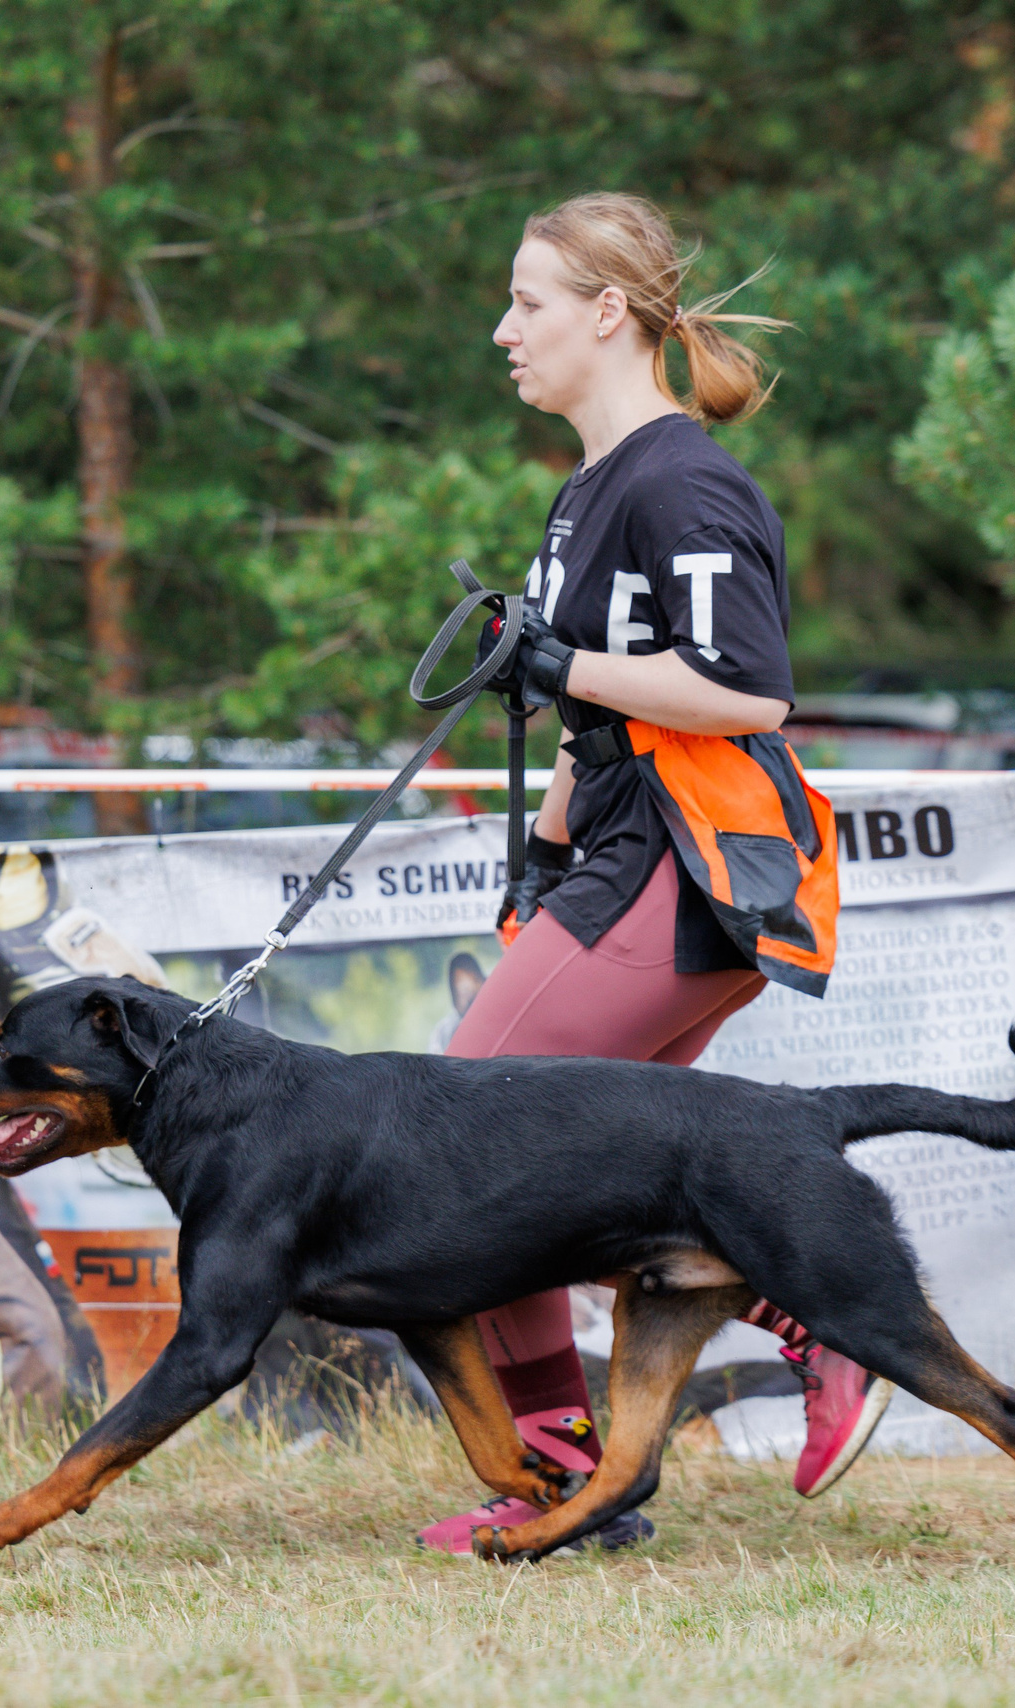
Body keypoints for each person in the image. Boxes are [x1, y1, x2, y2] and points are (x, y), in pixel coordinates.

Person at [415, 192, 891, 1555]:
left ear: (607, 314)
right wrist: (549, 842)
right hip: (621, 859)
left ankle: (628, 1432)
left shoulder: (680, 480)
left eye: (530, 302)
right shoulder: (586, 491)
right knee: (581, 1175)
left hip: (682, 872)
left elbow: (744, 696)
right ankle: (586, 1473)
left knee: (465, 1137)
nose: (504, 330)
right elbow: (605, 717)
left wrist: (555, 665)